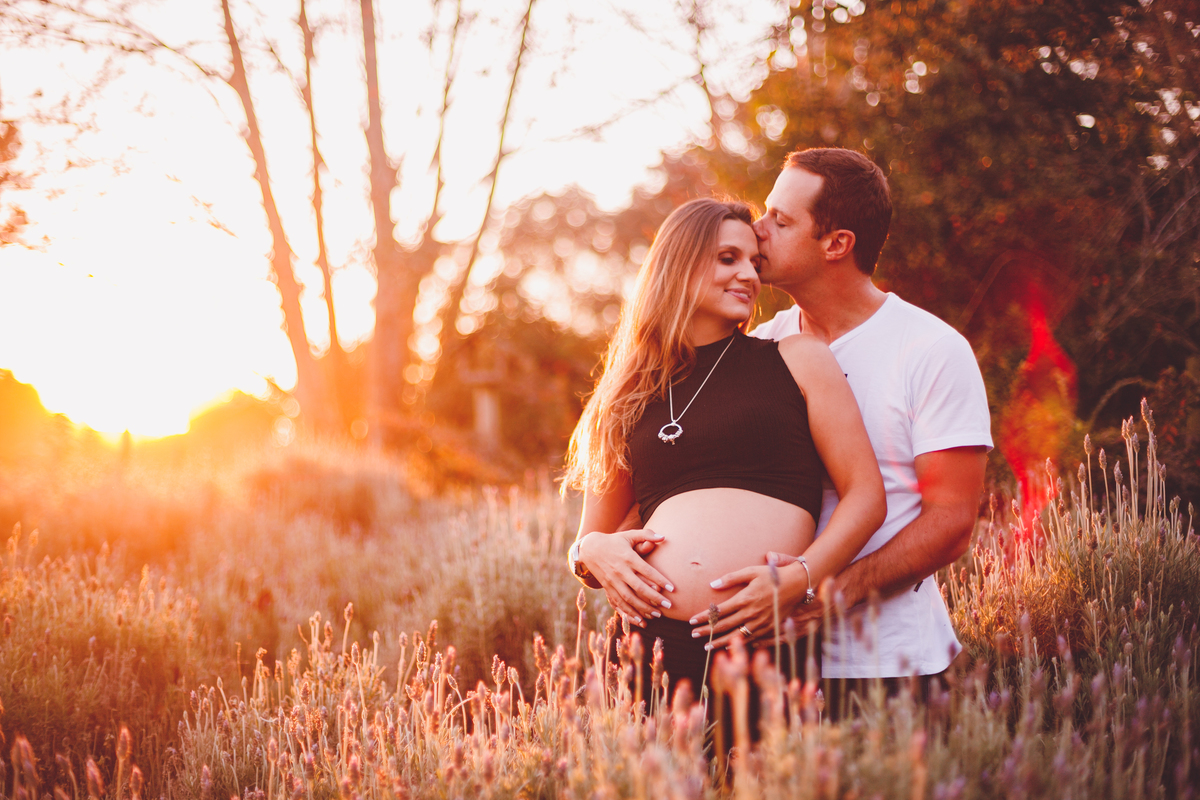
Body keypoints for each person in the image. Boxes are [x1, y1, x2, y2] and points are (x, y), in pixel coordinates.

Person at [688, 148, 993, 711]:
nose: (758, 232)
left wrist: (824, 594)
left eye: (780, 221)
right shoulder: (761, 345)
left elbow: (952, 521)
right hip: (764, 663)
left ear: (836, 244)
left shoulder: (931, 350)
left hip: (887, 667)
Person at [562, 197, 885, 701]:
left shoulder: (796, 359)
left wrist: (800, 579)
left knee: (762, 780)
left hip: (765, 637)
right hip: (650, 645)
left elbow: (866, 495)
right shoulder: (626, 393)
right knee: (649, 783)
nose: (749, 276)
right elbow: (589, 541)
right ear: (679, 263)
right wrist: (591, 553)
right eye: (727, 258)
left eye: (755, 264)